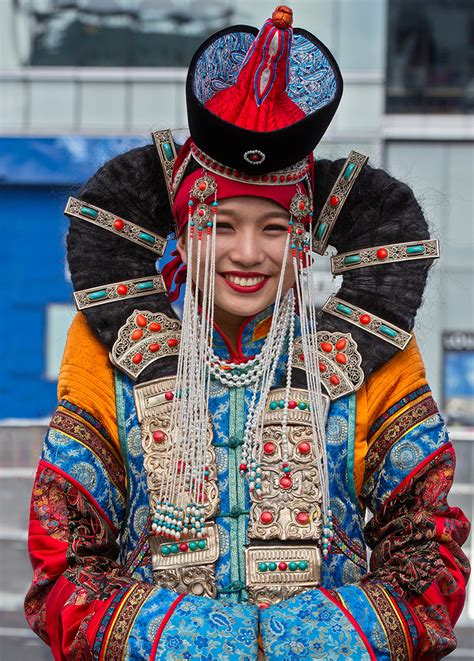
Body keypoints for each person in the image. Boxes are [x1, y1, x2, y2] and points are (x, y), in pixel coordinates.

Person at [25, 6, 469, 659]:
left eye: (274, 227)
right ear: (182, 229)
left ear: (305, 240)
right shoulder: (108, 350)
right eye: (219, 222)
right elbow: (62, 569)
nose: (247, 252)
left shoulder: (376, 358)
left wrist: (325, 634)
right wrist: (182, 636)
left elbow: (429, 561)